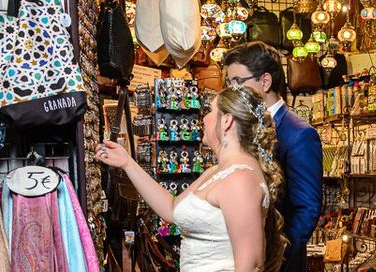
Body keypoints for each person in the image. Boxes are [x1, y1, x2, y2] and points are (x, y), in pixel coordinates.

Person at [96, 86, 287, 272]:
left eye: (210, 111)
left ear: (227, 121)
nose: (203, 117)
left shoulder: (239, 179)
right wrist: (127, 163)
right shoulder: (215, 172)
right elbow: (171, 209)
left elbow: (252, 265)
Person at [223, 41, 323, 272]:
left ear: (265, 81)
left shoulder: (299, 134)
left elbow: (306, 209)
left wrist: (277, 257)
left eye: (238, 82)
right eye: (229, 82)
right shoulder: (244, 126)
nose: (232, 90)